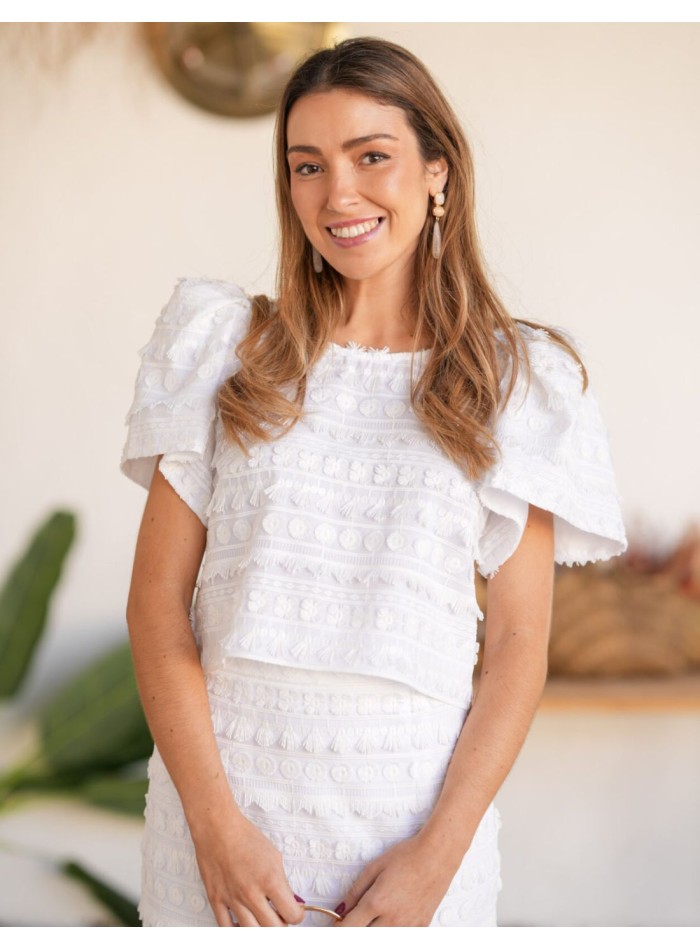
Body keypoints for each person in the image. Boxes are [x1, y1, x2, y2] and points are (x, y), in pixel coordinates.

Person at [121, 36, 628, 928]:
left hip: (414, 844)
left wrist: (440, 857)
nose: (337, 194)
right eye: (307, 165)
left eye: (372, 157)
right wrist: (212, 827)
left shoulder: (514, 381)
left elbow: (516, 648)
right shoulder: (226, 350)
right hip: (220, 845)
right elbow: (157, 610)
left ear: (439, 172)